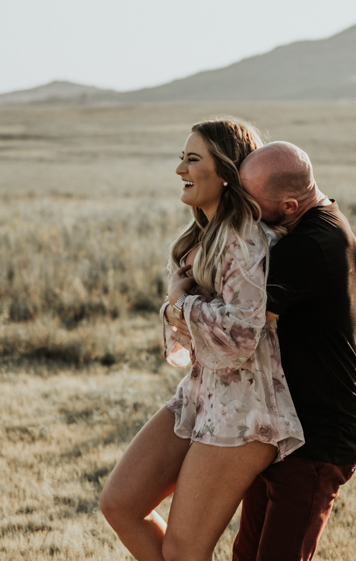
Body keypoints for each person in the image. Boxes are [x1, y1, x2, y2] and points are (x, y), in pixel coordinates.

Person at [99, 118, 304, 561]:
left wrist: (178, 305)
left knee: (184, 550)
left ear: (227, 172)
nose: (180, 170)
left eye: (193, 160)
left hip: (244, 410)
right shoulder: (206, 237)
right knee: (120, 504)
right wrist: (179, 309)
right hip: (201, 392)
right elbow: (190, 329)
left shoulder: (244, 242)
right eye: (182, 159)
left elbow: (241, 334)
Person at [232, 141, 356, 561]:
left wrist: (179, 304)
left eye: (250, 204)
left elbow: (237, 327)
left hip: (317, 440)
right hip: (285, 428)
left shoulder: (309, 246)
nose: (245, 213)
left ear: (289, 205)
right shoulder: (323, 222)